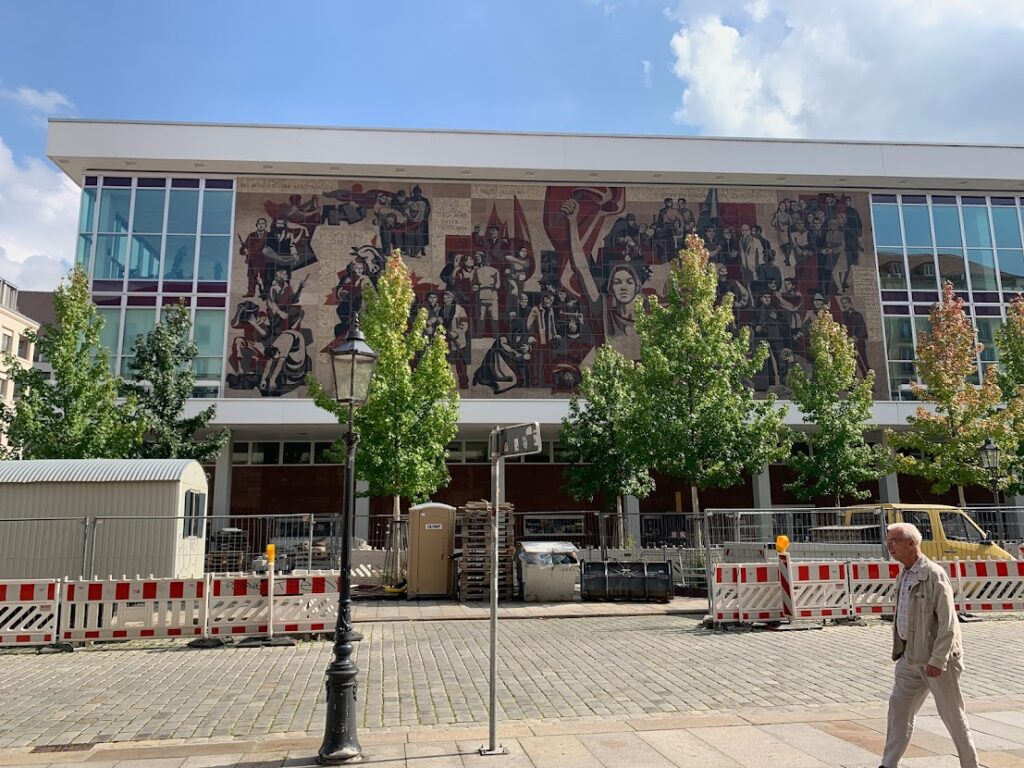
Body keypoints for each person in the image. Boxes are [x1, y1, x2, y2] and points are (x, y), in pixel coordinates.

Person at [879, 522, 979, 768]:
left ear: (911, 544)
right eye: (888, 540)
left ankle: (970, 764)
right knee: (898, 710)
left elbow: (948, 623)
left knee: (952, 715)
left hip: (936, 659)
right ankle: (888, 764)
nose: (889, 545)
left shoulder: (933, 574)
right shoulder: (904, 572)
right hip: (909, 656)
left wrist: (938, 659)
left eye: (894, 541)